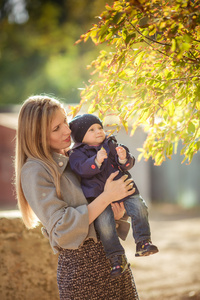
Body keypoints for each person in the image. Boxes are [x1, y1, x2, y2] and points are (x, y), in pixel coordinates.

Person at [15, 95, 139, 300]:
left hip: (113, 259)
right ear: (37, 136)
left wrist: (116, 214)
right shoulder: (35, 171)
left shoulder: (75, 158)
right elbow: (63, 229)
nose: (67, 130)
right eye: (56, 128)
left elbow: (92, 208)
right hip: (83, 271)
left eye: (65, 120)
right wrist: (108, 196)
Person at [69, 114, 158, 277]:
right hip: (99, 198)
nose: (98, 132)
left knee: (140, 207)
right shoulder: (77, 153)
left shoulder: (111, 144)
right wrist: (95, 162)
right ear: (81, 137)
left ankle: (143, 241)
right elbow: (80, 169)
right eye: (91, 130)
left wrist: (124, 159)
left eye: (100, 127)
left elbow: (127, 164)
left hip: (124, 190)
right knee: (105, 225)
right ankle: (116, 258)